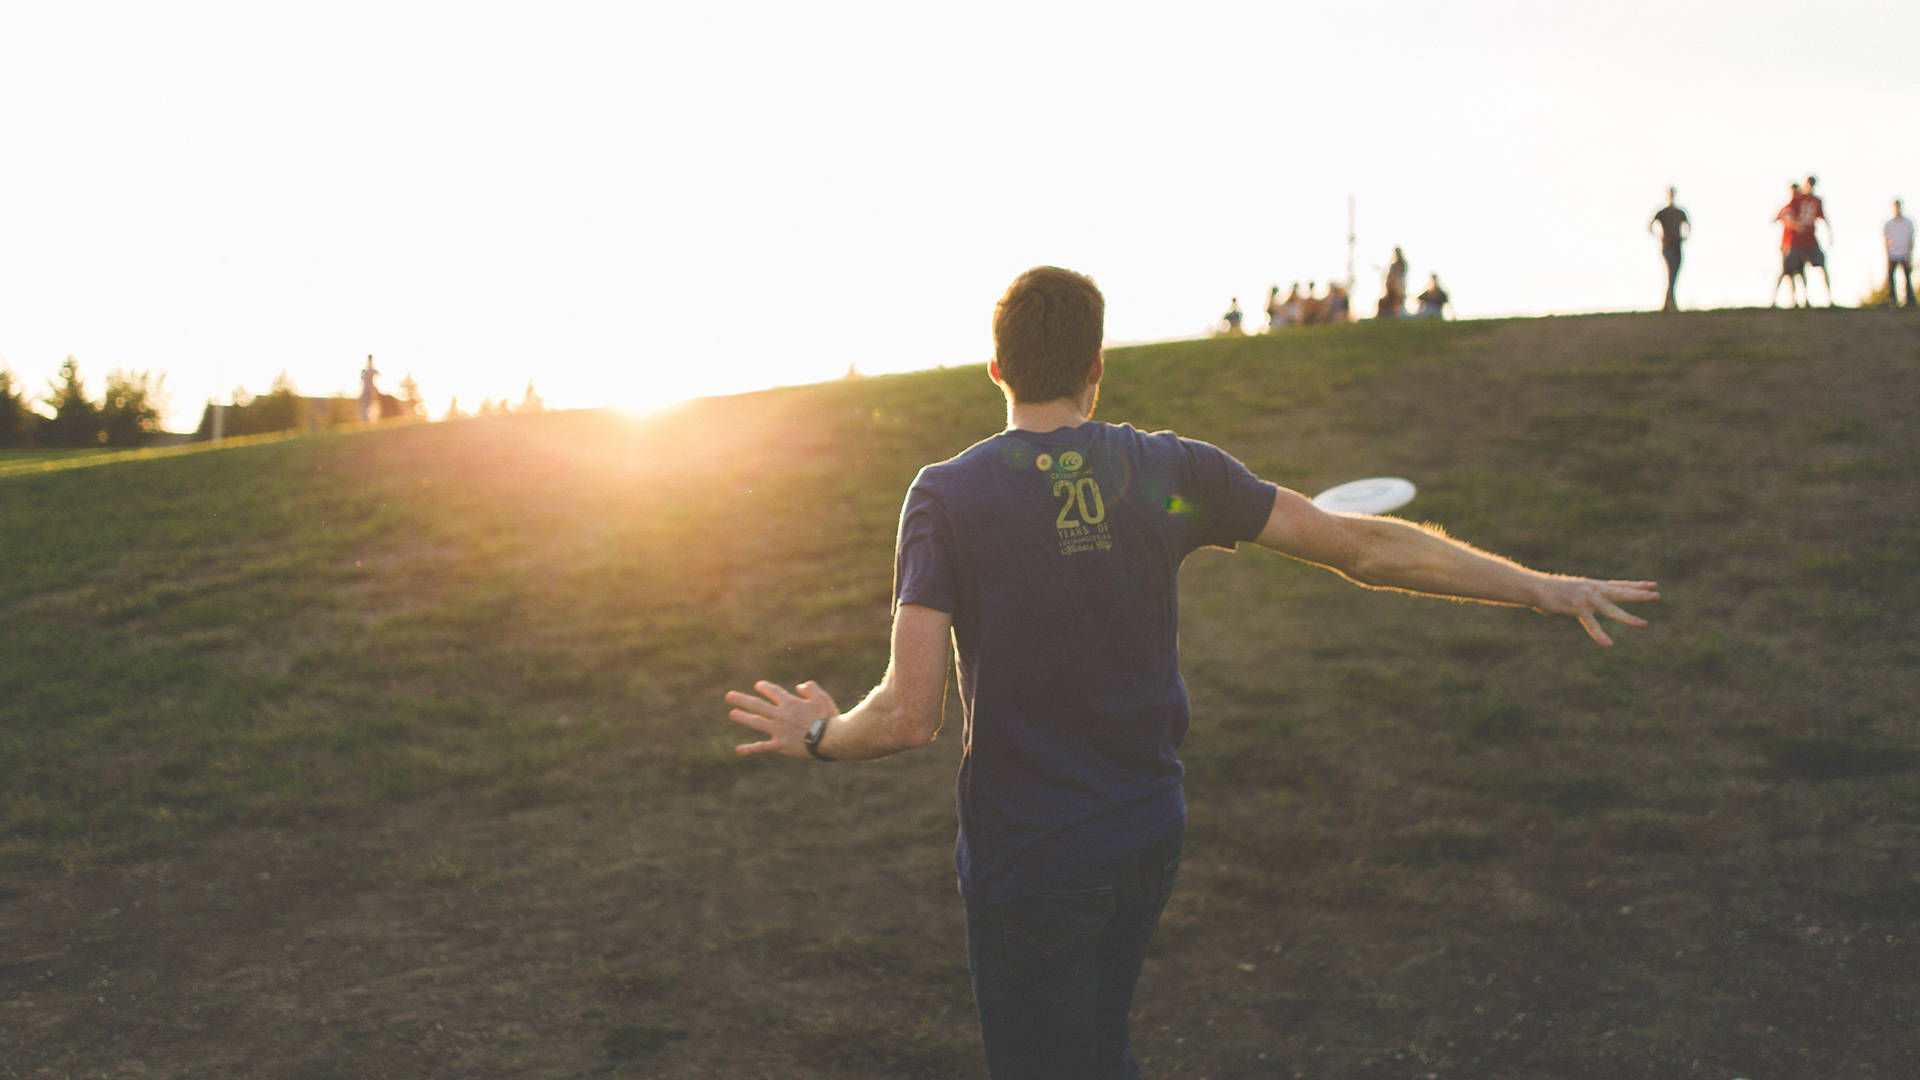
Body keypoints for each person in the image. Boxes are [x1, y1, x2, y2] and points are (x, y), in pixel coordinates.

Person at [723, 265, 1659, 1080]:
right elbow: (1363, 547)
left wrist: (817, 736)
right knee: (1098, 1051)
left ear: (997, 368)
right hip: (1145, 834)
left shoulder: (947, 494)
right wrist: (1539, 587)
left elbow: (906, 716)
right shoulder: (1171, 472)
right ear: (1097, 366)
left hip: (1034, 860)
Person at [1649, 186, 1690, 312]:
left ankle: (1668, 303)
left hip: (1676, 245)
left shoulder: (1680, 212)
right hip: (1668, 246)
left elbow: (1688, 227)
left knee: (1673, 274)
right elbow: (1650, 226)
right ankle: (1671, 303)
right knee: (1671, 273)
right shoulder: (1663, 212)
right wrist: (1661, 237)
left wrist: (1683, 237)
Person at [1773, 182, 1809, 308]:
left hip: (1800, 245)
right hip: (1788, 245)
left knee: (1800, 272)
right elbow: (1775, 219)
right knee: (1786, 272)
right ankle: (1777, 301)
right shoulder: (1788, 208)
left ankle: (1803, 300)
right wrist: (1795, 225)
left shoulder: (1801, 207)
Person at [1884, 198, 1914, 309]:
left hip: (1904, 253)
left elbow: (1911, 239)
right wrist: (1887, 256)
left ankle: (1909, 301)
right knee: (1891, 278)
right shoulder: (1888, 224)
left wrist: (1908, 255)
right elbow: (1886, 240)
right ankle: (1892, 300)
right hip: (1892, 254)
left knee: (1907, 277)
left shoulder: (1908, 223)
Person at [1377, 247, 1408, 318]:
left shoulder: (1402, 265)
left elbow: (1399, 277)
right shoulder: (1393, 265)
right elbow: (1389, 276)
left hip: (1398, 288)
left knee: (1399, 306)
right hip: (1392, 288)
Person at [357, 355, 380, 423]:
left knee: (370, 404)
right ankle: (366, 419)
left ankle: (371, 419)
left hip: (370, 389)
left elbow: (378, 374)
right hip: (367, 389)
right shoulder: (365, 371)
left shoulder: (369, 370)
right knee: (366, 405)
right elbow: (361, 380)